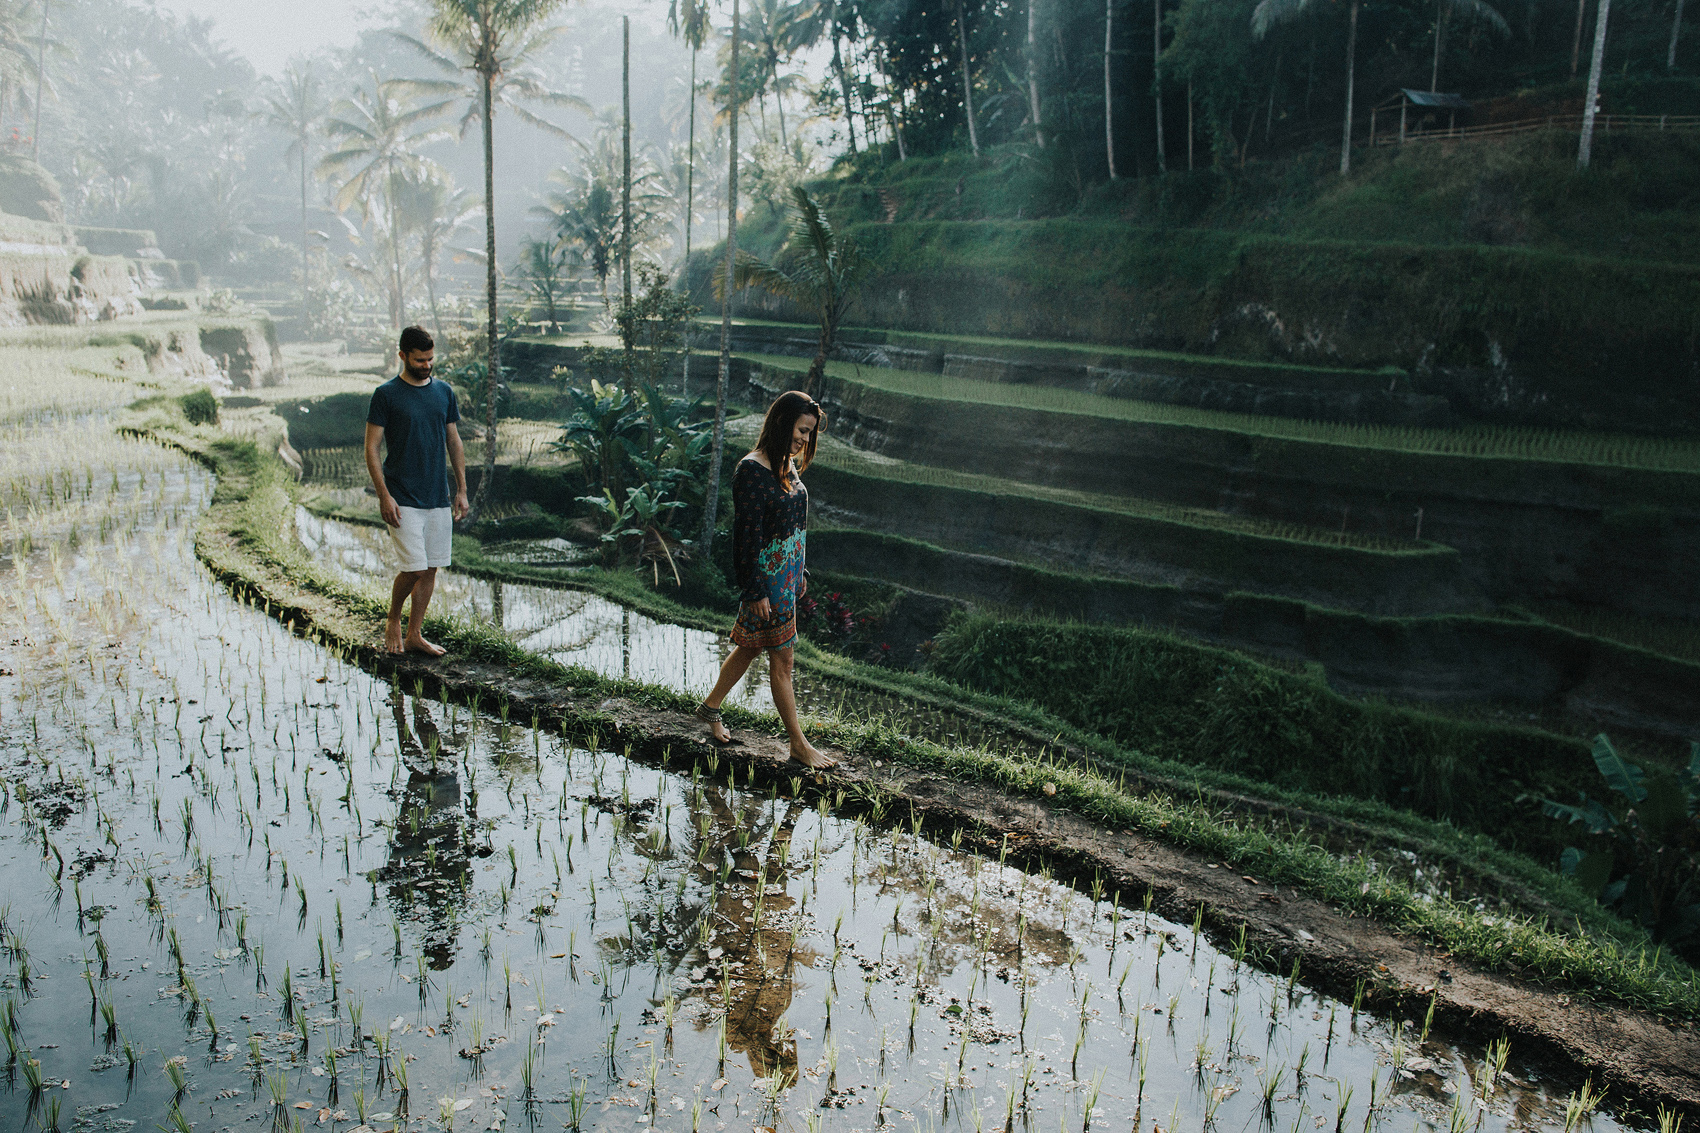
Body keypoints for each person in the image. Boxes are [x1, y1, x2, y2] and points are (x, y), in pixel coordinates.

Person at [695, 390, 835, 769]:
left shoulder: (785, 464)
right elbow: (746, 536)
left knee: (750, 647)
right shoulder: (752, 470)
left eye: (809, 434)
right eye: (801, 430)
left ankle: (709, 708)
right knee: (783, 661)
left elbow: (791, 523)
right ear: (781, 421)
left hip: (785, 581)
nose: (805, 439)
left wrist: (800, 569)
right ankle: (798, 744)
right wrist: (754, 589)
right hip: (766, 585)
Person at [364, 325, 469, 656]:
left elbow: (453, 440)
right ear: (402, 356)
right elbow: (371, 448)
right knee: (414, 567)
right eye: (420, 360)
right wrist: (384, 495)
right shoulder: (386, 394)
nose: (426, 365)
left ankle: (414, 635)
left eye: (430, 359)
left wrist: (461, 489)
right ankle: (394, 619)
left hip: (437, 495)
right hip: (402, 496)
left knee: (432, 566)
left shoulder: (444, 392)